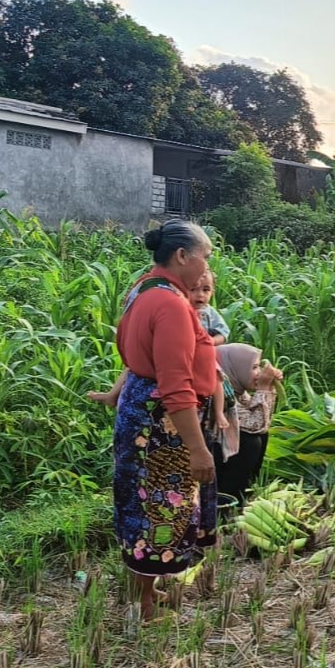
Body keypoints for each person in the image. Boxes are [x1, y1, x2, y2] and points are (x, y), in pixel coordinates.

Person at [109, 219, 219, 619]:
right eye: (205, 257)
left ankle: (145, 591)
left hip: (140, 412)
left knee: (139, 505)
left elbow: (137, 356)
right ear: (182, 256)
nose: (206, 267)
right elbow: (175, 387)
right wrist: (198, 449)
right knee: (159, 508)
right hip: (162, 427)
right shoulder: (171, 305)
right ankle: (145, 607)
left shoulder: (143, 288)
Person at [88, 270, 228, 409]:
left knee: (215, 373)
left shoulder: (209, 312)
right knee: (132, 366)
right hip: (179, 353)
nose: (200, 295)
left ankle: (219, 412)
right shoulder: (179, 307)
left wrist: (210, 342)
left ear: (212, 292)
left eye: (206, 290)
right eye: (194, 289)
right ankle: (112, 395)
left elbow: (223, 333)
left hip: (200, 355)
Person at [214, 343, 283, 501]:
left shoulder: (239, 391)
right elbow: (254, 425)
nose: (258, 373)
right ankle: (227, 497)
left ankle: (244, 491)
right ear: (235, 368)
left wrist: (268, 388)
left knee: (261, 436)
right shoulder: (222, 392)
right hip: (212, 453)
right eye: (254, 368)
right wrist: (263, 387)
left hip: (220, 452)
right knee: (249, 442)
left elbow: (262, 425)